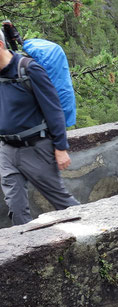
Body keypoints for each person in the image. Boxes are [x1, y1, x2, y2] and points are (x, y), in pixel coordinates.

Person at [0, 30, 79, 225]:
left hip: (36, 148)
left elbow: (53, 109)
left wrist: (61, 148)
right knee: (16, 208)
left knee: (62, 201)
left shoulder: (29, 69)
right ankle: (26, 251)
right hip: (6, 151)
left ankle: (97, 238)